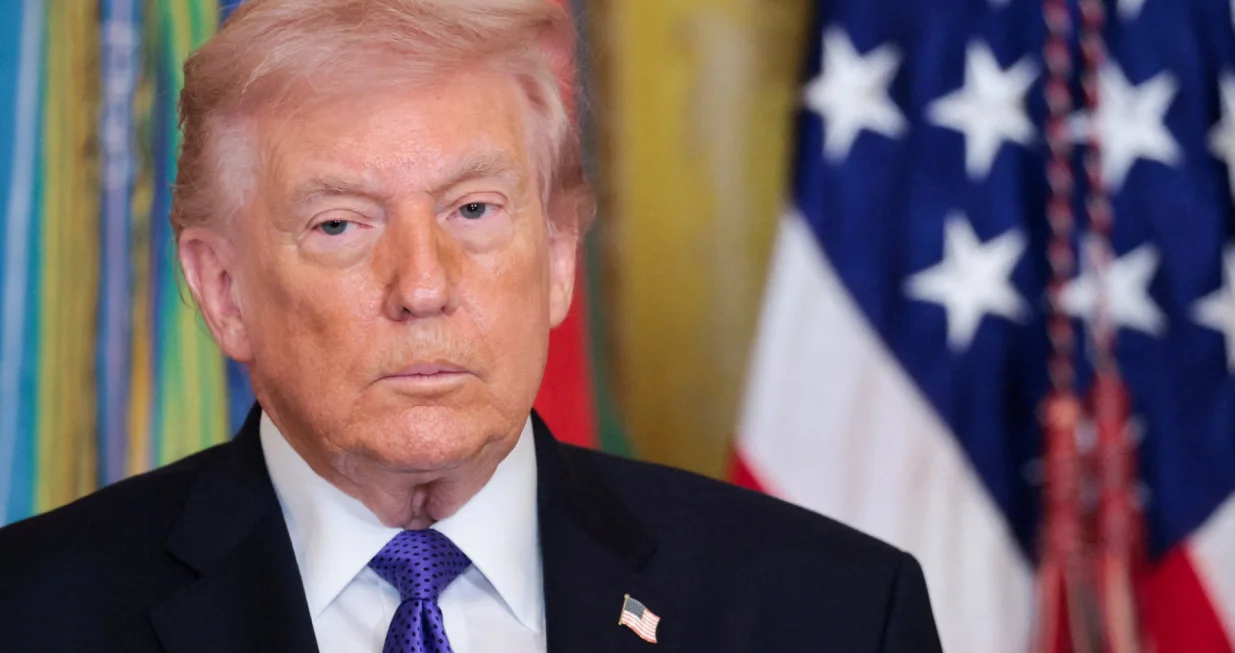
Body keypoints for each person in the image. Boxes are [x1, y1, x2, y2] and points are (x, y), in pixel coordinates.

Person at [0, 1, 943, 651]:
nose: (422, 285)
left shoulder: (831, 611)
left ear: (561, 254)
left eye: (474, 211)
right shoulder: (33, 613)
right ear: (223, 290)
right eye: (340, 224)